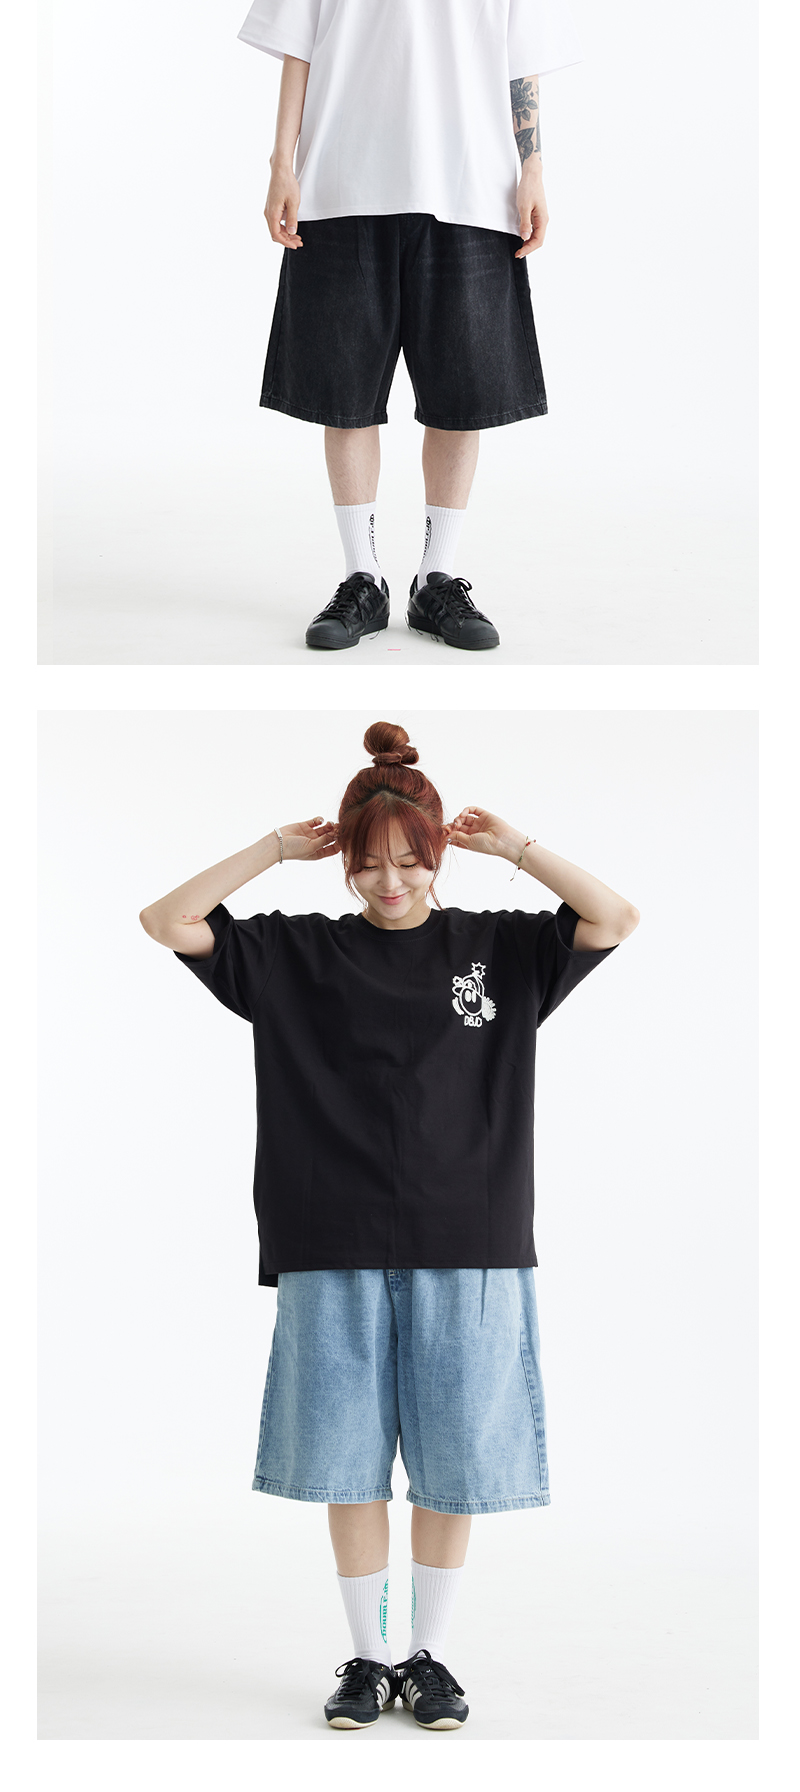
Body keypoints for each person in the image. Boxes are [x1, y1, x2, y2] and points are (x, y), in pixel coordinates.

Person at [140, 720, 638, 1729]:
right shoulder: (294, 952)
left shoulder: (499, 948)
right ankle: (368, 1661)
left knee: (453, 1467)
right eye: (369, 864)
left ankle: (427, 1656)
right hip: (330, 1240)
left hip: (472, 1243)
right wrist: (275, 848)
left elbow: (614, 916)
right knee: (347, 1462)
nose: (390, 881)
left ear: (438, 855)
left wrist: (516, 847)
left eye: (410, 861)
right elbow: (166, 919)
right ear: (345, 865)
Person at [239, 0, 579, 651]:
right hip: (346, 179)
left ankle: (438, 577)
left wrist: (533, 166)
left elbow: (520, 53)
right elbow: (297, 43)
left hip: (470, 182)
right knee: (344, 390)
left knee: (462, 391)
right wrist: (282, 161)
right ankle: (361, 576)